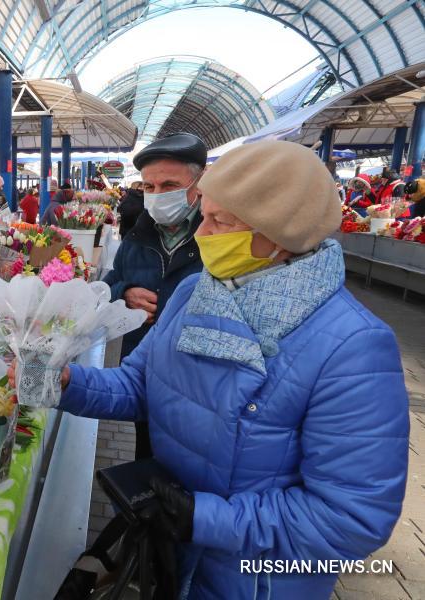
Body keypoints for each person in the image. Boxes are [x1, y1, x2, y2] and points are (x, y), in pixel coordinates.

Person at [23, 140, 408, 599]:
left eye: (221, 221)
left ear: (279, 233)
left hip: (253, 580)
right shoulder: (193, 292)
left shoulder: (353, 347)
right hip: (169, 555)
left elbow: (351, 519)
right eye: (204, 214)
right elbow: (140, 385)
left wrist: (202, 518)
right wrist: (65, 380)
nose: (202, 233)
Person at [102, 133, 207, 459]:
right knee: (145, 456)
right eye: (149, 187)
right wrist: (125, 293)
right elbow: (111, 283)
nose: (157, 196)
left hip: (198, 385)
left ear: (199, 184)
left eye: (169, 186)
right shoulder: (138, 234)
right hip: (144, 371)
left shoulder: (217, 232)